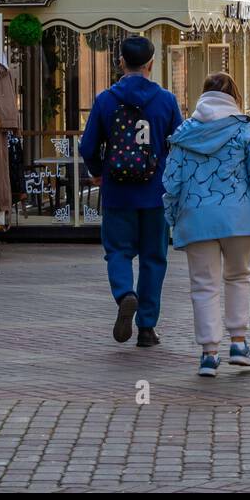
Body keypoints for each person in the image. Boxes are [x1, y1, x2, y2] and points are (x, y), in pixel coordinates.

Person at [161, 73, 250, 377]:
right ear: (234, 96)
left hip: (196, 218)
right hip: (239, 218)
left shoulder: (184, 133)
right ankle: (239, 344)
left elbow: (171, 182)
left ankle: (209, 354)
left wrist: (172, 217)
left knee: (203, 285)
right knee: (238, 276)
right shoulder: (244, 130)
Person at [79, 36, 183, 346]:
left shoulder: (106, 100)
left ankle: (125, 293)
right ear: (151, 64)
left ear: (121, 62)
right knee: (154, 257)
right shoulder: (166, 101)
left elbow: (87, 146)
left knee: (118, 251)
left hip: (118, 191)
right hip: (155, 193)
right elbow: (178, 145)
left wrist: (99, 172)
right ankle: (147, 327)